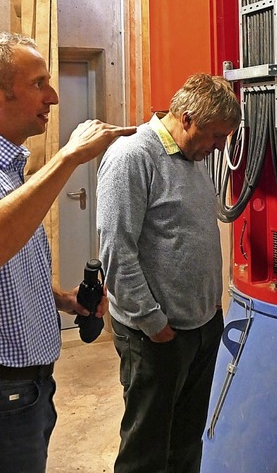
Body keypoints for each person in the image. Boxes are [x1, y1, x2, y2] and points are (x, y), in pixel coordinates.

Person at [0, 31, 136, 473]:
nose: (52, 97)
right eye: (38, 83)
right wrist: (68, 158)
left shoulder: (7, 172)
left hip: (20, 391)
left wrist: (62, 298)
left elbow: (5, 263)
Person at [97, 73, 241, 473]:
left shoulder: (194, 159)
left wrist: (212, 309)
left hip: (201, 328)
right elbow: (116, 248)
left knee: (185, 443)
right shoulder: (133, 156)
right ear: (188, 118)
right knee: (146, 450)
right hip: (156, 335)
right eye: (214, 136)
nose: (217, 148)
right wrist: (151, 321)